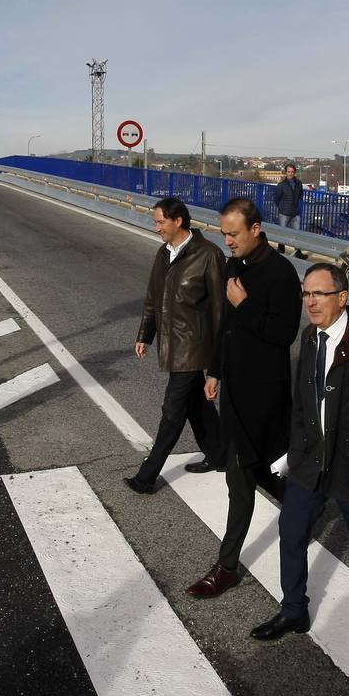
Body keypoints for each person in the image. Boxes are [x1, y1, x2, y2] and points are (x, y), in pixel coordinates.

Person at [249, 263, 349, 641]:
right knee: (291, 532)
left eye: (319, 294)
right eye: (306, 294)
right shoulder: (310, 337)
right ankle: (293, 611)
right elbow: (304, 402)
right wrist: (293, 452)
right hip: (310, 458)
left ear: (342, 297)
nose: (311, 302)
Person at [187, 197, 302, 598]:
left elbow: (282, 333)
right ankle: (228, 566)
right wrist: (215, 370)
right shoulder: (234, 266)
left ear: (256, 228)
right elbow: (227, 327)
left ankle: (307, 503)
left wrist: (246, 303)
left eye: (234, 234)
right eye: (224, 234)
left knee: (269, 474)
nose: (228, 241)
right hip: (233, 393)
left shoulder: (282, 273)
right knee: (241, 479)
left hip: (265, 397)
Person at [126, 198, 227, 492]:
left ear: (178, 221)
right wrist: (145, 334)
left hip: (194, 347)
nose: (156, 227)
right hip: (172, 344)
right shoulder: (163, 253)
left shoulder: (209, 255)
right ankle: (220, 454)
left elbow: (221, 311)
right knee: (196, 406)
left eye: (160, 222)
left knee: (172, 412)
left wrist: (217, 365)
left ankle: (146, 477)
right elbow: (152, 298)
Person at [273, 163, 306, 259]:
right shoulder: (281, 185)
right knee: (282, 233)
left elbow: (300, 195)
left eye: (292, 172)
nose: (290, 174)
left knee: (297, 234)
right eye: (288, 172)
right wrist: (282, 207)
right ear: (286, 172)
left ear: (294, 172)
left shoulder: (299, 184)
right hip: (284, 212)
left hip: (295, 213)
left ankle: (298, 253)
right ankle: (281, 250)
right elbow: (276, 198)